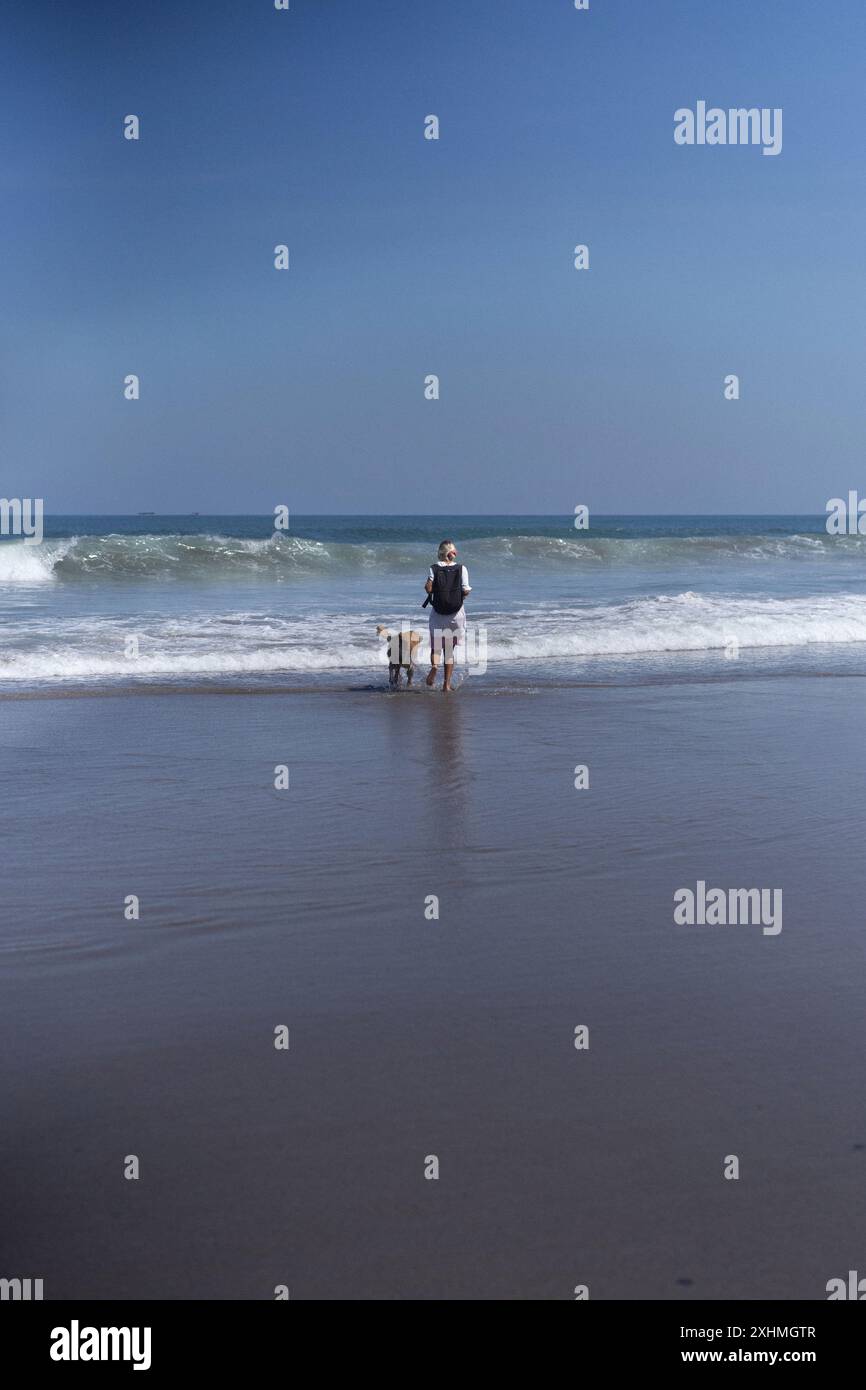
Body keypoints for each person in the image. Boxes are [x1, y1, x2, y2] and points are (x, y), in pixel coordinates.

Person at [425, 540, 471, 692]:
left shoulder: (434, 568)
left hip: (438, 613)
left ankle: (434, 667)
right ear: (452, 553)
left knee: (436, 646)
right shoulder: (461, 568)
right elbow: (465, 590)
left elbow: (428, 588)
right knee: (449, 649)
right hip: (455, 614)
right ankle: (446, 685)